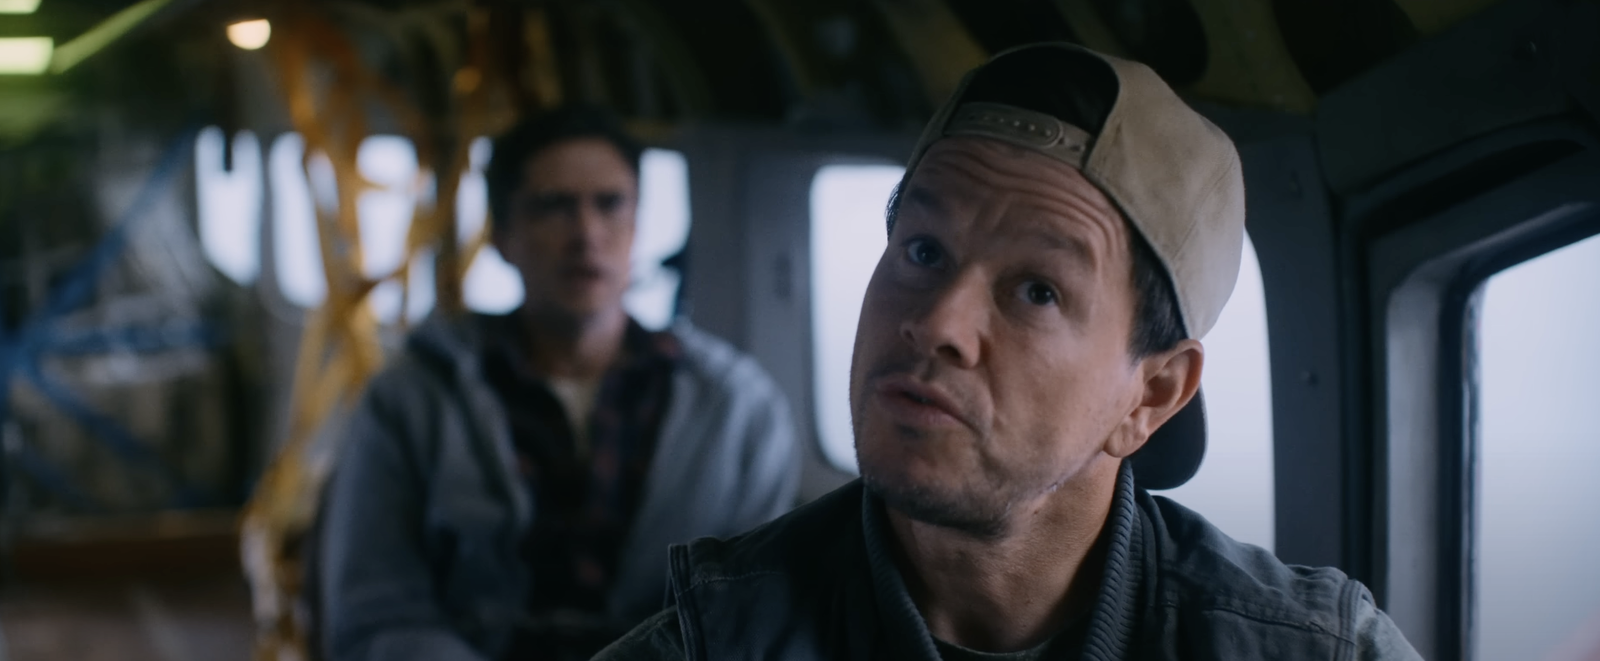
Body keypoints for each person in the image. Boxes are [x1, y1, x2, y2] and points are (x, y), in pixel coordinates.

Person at [595, 44, 1421, 660]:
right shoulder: (709, 644)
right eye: (924, 251)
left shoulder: (1312, 650)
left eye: (1037, 291)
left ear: (1153, 393)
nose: (939, 323)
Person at [316, 105, 801, 661]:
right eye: (553, 206)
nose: (586, 233)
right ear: (502, 236)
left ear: (637, 225)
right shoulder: (413, 400)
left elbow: (755, 617)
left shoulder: (737, 408)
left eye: (610, 204)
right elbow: (377, 611)